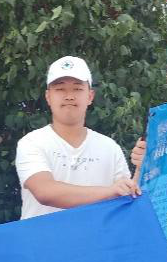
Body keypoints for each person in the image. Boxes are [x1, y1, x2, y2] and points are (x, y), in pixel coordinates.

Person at [15, 56, 141, 220]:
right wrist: (110, 191)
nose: (69, 96)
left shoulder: (109, 147)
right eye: (60, 89)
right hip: (42, 237)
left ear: (90, 96)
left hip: (96, 237)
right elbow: (45, 192)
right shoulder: (32, 142)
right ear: (48, 97)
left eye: (77, 89)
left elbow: (128, 198)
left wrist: (142, 167)